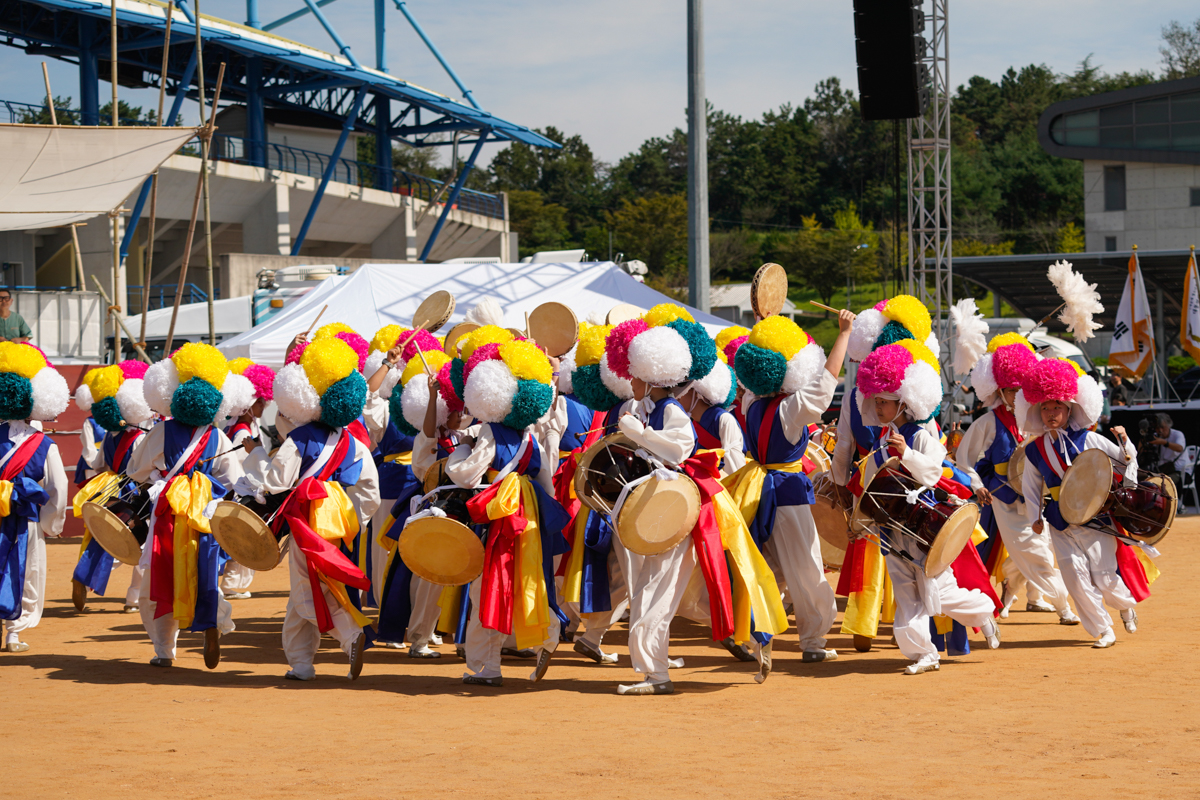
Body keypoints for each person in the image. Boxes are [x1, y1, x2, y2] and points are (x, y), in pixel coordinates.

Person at [604, 305, 786, 694]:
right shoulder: (653, 408)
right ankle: (659, 669)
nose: (629, 380)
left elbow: (680, 448)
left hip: (676, 510)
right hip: (666, 508)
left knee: (659, 592)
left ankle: (657, 675)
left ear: (651, 377)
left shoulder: (669, 410)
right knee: (658, 591)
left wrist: (639, 435)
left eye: (634, 374)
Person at [853, 336, 1001, 675]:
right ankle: (924, 654)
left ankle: (982, 610)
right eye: (877, 401)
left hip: (923, 526)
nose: (878, 407)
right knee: (906, 594)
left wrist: (906, 453)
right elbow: (872, 487)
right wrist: (861, 523)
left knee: (939, 592)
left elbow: (934, 473)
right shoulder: (882, 439)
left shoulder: (920, 435)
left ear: (905, 402)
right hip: (892, 529)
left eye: (885, 401)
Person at [723, 310, 856, 673]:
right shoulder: (790, 409)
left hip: (756, 494)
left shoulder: (750, 404)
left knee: (768, 567)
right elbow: (825, 385)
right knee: (807, 569)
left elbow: (759, 374)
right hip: (788, 494)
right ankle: (812, 642)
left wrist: (763, 328)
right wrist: (843, 334)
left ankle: (754, 632)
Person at [444, 326, 569, 687]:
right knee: (527, 581)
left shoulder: (488, 432)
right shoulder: (529, 436)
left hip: (496, 518)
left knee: (488, 587)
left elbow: (465, 474)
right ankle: (550, 632)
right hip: (528, 517)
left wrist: (461, 448)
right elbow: (545, 481)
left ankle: (487, 666)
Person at [259, 336, 380, 681]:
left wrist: (259, 481)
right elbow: (370, 492)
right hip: (339, 524)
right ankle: (301, 664)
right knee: (311, 587)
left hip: (306, 522)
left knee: (307, 590)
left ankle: (350, 635)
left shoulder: (300, 439)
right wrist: (352, 520)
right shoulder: (354, 443)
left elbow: (276, 482)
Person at [1019, 358, 1157, 649]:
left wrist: (1124, 441)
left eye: (1057, 407)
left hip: (1095, 516)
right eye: (1045, 408)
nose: (1050, 413)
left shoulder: (1091, 439)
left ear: (1070, 409)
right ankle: (1103, 629)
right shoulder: (1034, 450)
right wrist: (1035, 517)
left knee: (1105, 577)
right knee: (1074, 577)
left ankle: (1125, 606)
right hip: (1059, 519)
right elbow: (1030, 487)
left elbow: (1124, 461)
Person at [130, 343, 249, 668]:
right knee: (204, 573)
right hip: (204, 515)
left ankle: (164, 650)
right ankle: (213, 624)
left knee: (160, 577)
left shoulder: (162, 431)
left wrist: (159, 475)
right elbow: (234, 480)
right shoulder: (218, 437)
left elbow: (135, 471)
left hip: (168, 512)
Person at [955, 334, 1080, 625]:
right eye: (1010, 390)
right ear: (999, 390)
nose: (1015, 395)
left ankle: (1010, 588)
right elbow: (964, 459)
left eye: (1020, 388)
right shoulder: (986, 422)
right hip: (1005, 499)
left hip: (1038, 498)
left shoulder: (1037, 419)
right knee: (1036, 553)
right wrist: (977, 485)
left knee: (1038, 549)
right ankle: (1064, 607)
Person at [70, 361, 155, 613]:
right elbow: (142, 470)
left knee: (110, 539)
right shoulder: (140, 437)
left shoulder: (109, 435)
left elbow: (98, 463)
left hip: (110, 491)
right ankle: (133, 599)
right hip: (136, 494)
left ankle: (84, 577)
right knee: (138, 544)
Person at [0, 342, 69, 652]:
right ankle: (14, 634)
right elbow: (59, 487)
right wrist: (51, 523)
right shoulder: (45, 444)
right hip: (25, 518)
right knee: (26, 572)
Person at [1148, 412, 1186, 494]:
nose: (1160, 431)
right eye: (1157, 428)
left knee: (1162, 484)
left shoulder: (1178, 434)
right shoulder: (1155, 435)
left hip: (1177, 470)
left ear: (1168, 425)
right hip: (1161, 469)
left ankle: (1173, 502)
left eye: (1162, 427)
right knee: (1147, 481)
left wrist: (1163, 442)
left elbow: (1180, 448)